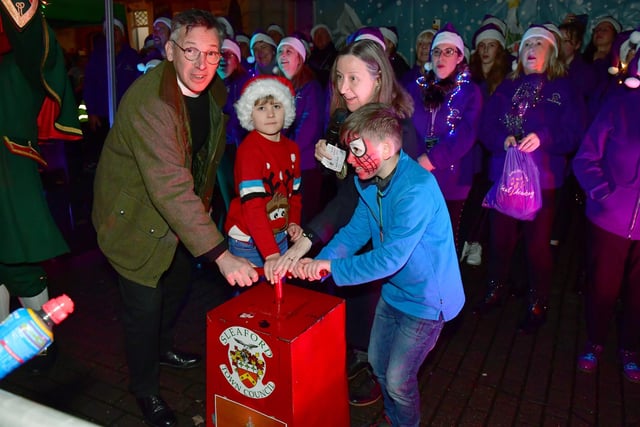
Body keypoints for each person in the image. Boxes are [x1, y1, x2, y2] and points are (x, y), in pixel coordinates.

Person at [91, 10, 258, 427]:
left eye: (213, 53)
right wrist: (221, 253)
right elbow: (167, 184)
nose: (203, 65)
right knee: (144, 307)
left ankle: (163, 346)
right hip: (134, 220)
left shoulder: (213, 90)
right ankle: (145, 390)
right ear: (169, 51)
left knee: (179, 280)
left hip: (179, 217)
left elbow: (204, 158)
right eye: (191, 52)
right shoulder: (151, 102)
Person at [296, 103, 465, 427]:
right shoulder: (367, 179)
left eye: (357, 150)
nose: (349, 160)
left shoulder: (415, 190)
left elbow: (389, 258)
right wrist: (321, 260)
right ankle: (393, 417)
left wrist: (333, 270)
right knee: (377, 362)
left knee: (399, 380)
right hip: (395, 292)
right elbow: (358, 228)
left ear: (387, 148)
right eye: (349, 150)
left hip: (427, 301)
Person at [271, 38, 418, 407]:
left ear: (379, 79)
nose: (342, 88)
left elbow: (380, 196)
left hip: (393, 239)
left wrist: (311, 239)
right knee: (352, 295)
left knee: (379, 307)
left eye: (353, 79)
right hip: (359, 226)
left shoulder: (395, 129)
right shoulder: (347, 120)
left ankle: (379, 373)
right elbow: (351, 192)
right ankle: (361, 356)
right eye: (338, 77)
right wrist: (336, 164)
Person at [474, 24, 586, 334]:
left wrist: (544, 137)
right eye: (526, 44)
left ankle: (538, 301)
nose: (531, 49)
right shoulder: (508, 88)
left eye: (539, 43)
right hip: (505, 180)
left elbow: (575, 133)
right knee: (500, 240)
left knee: (537, 246)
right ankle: (496, 288)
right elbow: (486, 128)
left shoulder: (564, 89)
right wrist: (503, 139)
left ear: (552, 51)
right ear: (519, 54)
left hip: (544, 182)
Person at [0, 0, 82, 362]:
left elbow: (34, 43)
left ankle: (42, 340)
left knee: (20, 263)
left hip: (9, 177)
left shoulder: (15, 65)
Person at [572, 49, 640, 384]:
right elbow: (585, 158)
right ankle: (595, 341)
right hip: (610, 221)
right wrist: (603, 194)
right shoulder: (619, 104)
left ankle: (630, 348)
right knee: (602, 287)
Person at [405, 23, 483, 253]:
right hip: (417, 174)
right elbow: (402, 124)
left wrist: (433, 158)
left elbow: (465, 134)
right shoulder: (415, 88)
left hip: (452, 177)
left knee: (443, 242)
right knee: (416, 238)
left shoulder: (469, 92)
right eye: (437, 51)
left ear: (460, 57)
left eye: (449, 51)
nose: (441, 56)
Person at [224, 75, 303, 270]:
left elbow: (295, 194)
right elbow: (253, 207)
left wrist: (293, 221)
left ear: (287, 110)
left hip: (279, 235)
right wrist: (271, 253)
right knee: (251, 298)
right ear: (249, 114)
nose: (270, 114)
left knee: (279, 293)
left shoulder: (292, 149)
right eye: (261, 108)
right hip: (248, 241)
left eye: (276, 106)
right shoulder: (249, 151)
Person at [460, 22, 511, 266]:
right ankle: (466, 241)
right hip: (472, 148)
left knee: (487, 199)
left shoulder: (508, 80)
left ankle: (477, 243)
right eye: (482, 46)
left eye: (491, 45)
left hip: (494, 148)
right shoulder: (469, 78)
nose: (486, 50)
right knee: (470, 197)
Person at [276, 34, 325, 223]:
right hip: (284, 166)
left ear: (301, 58)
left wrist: (284, 152)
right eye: (280, 51)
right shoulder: (279, 87)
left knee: (303, 220)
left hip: (305, 167)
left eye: (289, 51)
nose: (283, 55)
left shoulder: (310, 88)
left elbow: (308, 129)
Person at [82, 17, 141, 168]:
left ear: (122, 33)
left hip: (125, 114)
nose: (113, 33)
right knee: (104, 154)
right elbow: (89, 84)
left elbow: (139, 85)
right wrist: (92, 112)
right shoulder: (97, 56)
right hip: (102, 114)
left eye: (116, 30)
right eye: (109, 30)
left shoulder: (132, 57)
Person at [308, 24, 337, 89]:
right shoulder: (309, 60)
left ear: (329, 37)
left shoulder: (337, 58)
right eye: (316, 35)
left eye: (322, 34)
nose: (319, 37)